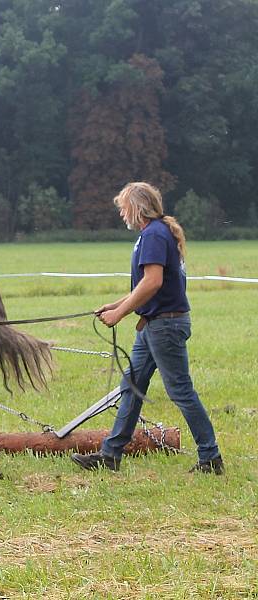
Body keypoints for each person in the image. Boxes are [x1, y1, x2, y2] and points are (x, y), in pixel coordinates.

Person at [71, 182, 224, 474]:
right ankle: (111, 455)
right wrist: (114, 305)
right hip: (154, 326)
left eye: (122, 207)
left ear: (137, 207)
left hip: (164, 327)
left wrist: (119, 315)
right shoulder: (153, 234)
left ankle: (210, 457)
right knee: (132, 387)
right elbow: (146, 285)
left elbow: (152, 282)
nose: (121, 214)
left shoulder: (153, 234)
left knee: (180, 390)